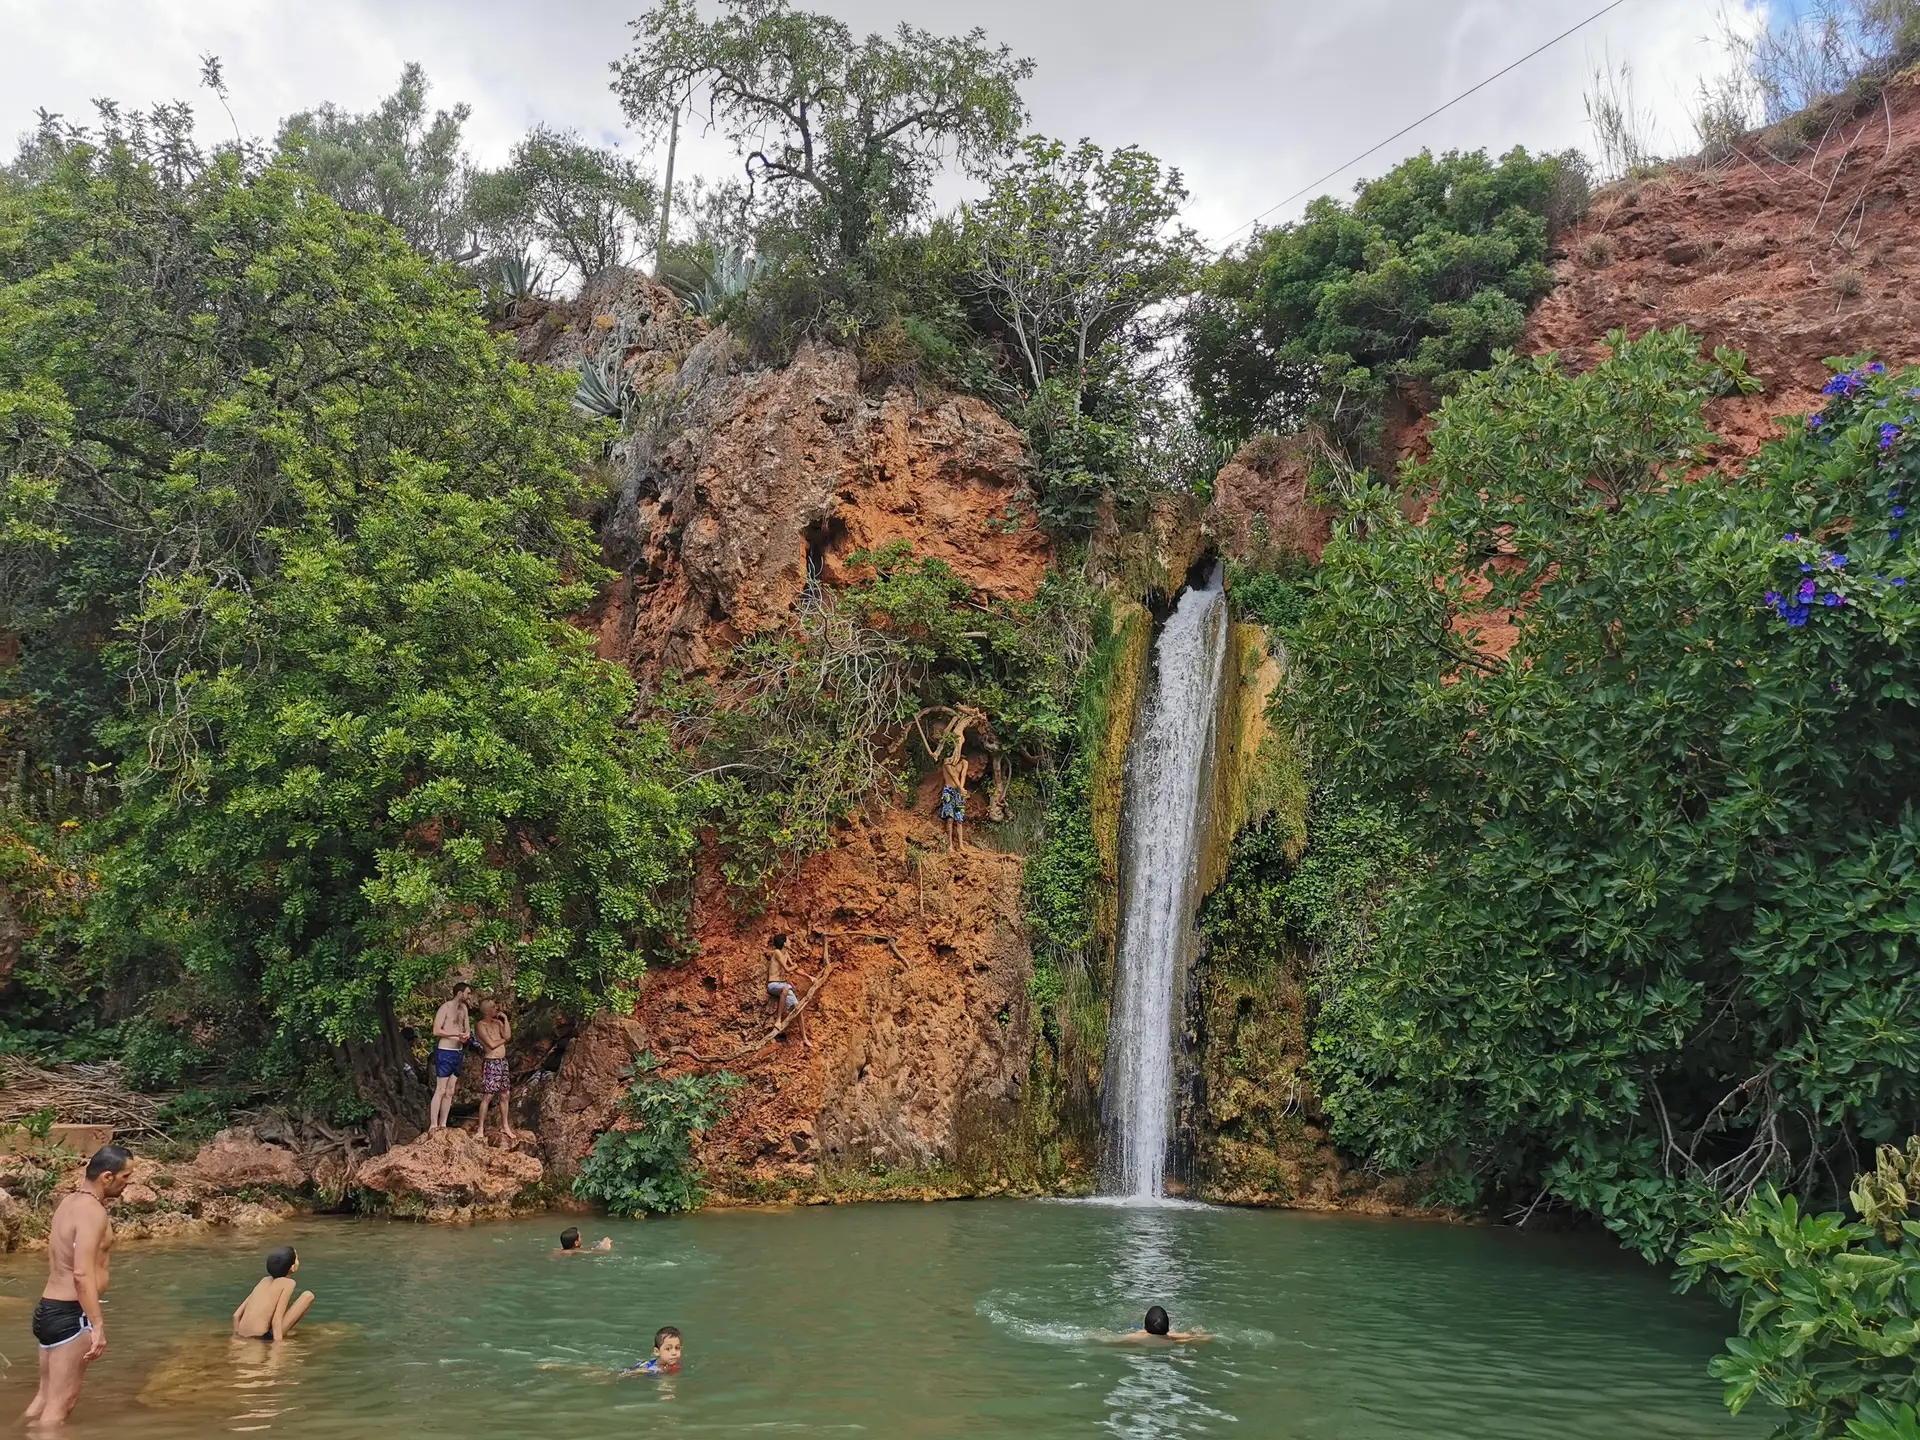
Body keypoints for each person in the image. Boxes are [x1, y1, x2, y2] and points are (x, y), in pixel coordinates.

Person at [24, 1145, 132, 1427]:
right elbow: (82, 1274)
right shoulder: (92, 1212)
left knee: (44, 1399)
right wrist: (97, 1325)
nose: (128, 1183)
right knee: (61, 1406)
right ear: (107, 1176)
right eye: (126, 1176)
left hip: (48, 1310)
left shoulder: (68, 1202)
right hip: (71, 1315)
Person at [231, 1246, 315, 1341]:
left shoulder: (264, 1280)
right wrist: (278, 1345)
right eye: (297, 1259)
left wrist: (236, 1337)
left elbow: (236, 1315)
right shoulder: (288, 1283)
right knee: (308, 1296)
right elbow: (277, 1319)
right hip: (263, 1336)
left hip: (242, 1334)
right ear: (292, 1267)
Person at [427, 981, 473, 1132]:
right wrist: (454, 1034)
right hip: (445, 1050)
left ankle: (443, 1123)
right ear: (459, 993)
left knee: (450, 1090)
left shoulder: (464, 1009)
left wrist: (466, 1036)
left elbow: (467, 1028)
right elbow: (436, 1030)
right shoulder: (445, 1008)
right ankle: (433, 1124)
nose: (469, 996)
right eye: (467, 993)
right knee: (440, 1089)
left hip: (457, 1051)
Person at [474, 997, 517, 1147]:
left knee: (505, 1094)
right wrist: (504, 1040)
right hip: (491, 1062)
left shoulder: (498, 1022)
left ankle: (505, 1125)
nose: (496, 1008)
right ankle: (480, 1128)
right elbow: (491, 1044)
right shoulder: (481, 1025)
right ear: (486, 1011)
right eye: (493, 1007)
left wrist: (505, 1019)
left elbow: (508, 1035)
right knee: (489, 1095)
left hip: (502, 1062)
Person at [765, 935, 811, 1050]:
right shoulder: (777, 952)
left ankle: (804, 1038)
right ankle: (778, 1020)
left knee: (798, 1007)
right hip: (773, 985)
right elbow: (787, 969)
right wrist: (794, 965)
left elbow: (795, 969)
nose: (791, 942)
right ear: (784, 943)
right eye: (789, 941)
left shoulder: (786, 954)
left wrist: (810, 977)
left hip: (784, 985)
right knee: (785, 989)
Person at [1119, 1305, 1209, 1344]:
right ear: (1168, 1329)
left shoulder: (1135, 1337)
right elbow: (1206, 1337)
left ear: (1145, 1328)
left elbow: (1107, 1340)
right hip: (1168, 1338)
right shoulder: (1176, 1339)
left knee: (1134, 1325)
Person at [939, 740, 968, 852]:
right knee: (950, 818)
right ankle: (950, 845)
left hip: (958, 791)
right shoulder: (947, 761)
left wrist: (961, 789)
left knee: (959, 819)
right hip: (948, 791)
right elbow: (953, 775)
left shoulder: (964, 762)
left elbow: (963, 776)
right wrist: (962, 789)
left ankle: (961, 845)